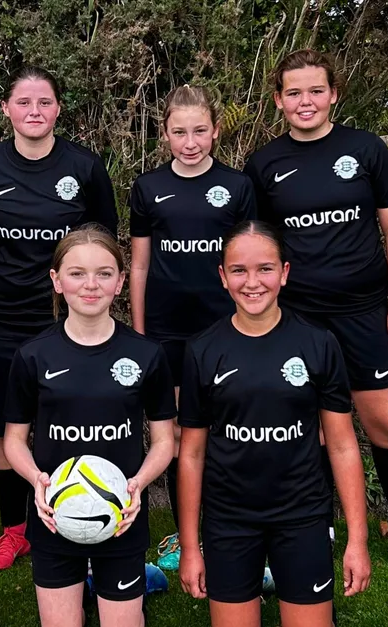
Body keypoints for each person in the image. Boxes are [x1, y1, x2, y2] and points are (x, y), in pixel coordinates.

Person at [242, 49, 388, 554]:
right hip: (299, 316)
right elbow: (260, 246)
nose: (305, 101)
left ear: (333, 94)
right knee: (309, 425)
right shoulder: (265, 164)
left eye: (315, 90)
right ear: (278, 100)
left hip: (365, 311)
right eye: (293, 92)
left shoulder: (366, 151)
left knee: (384, 422)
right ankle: (315, 528)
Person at [177, 220, 371, 627]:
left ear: (284, 273)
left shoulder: (318, 344)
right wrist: (191, 546)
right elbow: (191, 454)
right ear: (222, 276)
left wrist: (358, 539)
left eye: (265, 268)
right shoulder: (202, 350)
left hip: (301, 515)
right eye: (239, 270)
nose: (253, 282)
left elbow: (341, 445)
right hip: (229, 519)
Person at [0, 66, 119, 571]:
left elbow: (101, 238)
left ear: (58, 108)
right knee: (10, 429)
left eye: (45, 102)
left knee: (75, 420)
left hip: (70, 321)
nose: (35, 112)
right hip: (6, 317)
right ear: (7, 108)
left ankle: (87, 515)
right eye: (24, 102)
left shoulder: (84, 166)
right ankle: (17, 531)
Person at [2, 224, 175, 627]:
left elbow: (165, 440)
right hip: (53, 516)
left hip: (122, 516)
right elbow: (13, 440)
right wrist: (36, 480)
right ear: (56, 281)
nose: (90, 284)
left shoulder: (146, 354)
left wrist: (137, 485)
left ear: (119, 282)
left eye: (104, 273)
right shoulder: (32, 356)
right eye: (77, 273)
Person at [128, 84, 257, 571]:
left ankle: (233, 526)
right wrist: (142, 335)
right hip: (167, 331)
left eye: (200, 130)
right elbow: (139, 267)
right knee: (183, 435)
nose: (190, 141)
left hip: (224, 329)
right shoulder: (147, 187)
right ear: (164, 134)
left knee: (232, 428)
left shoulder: (238, 187)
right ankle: (188, 537)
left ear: (216, 130)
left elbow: (247, 262)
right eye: (179, 132)